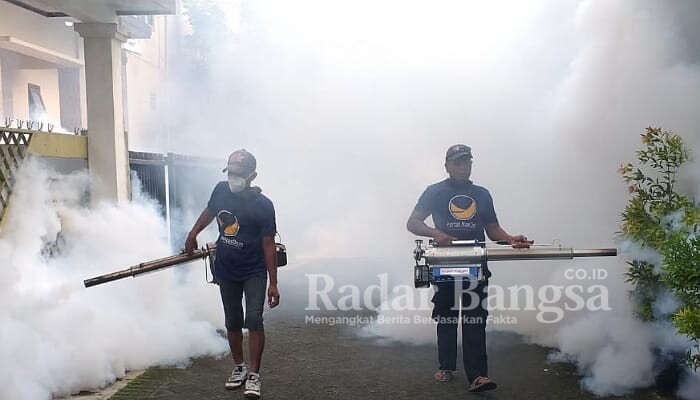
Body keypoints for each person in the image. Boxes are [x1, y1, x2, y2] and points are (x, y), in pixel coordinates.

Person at [406, 144, 530, 392]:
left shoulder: (482, 194)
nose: (464, 167)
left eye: (468, 162)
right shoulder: (434, 192)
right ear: (447, 166)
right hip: (444, 264)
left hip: (475, 265)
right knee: (447, 315)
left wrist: (511, 239)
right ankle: (446, 366)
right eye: (458, 162)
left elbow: (493, 229)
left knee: (475, 318)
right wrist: (435, 233)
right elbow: (413, 222)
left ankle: (478, 376)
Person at [185, 149, 280, 399]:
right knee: (232, 320)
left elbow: (269, 244)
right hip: (227, 268)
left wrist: (273, 283)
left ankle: (254, 374)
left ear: (252, 175)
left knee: (255, 319)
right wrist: (193, 233)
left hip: (254, 270)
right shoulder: (221, 190)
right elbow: (210, 212)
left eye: (239, 173)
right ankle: (238, 367)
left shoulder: (263, 206)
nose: (233, 178)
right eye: (230, 172)